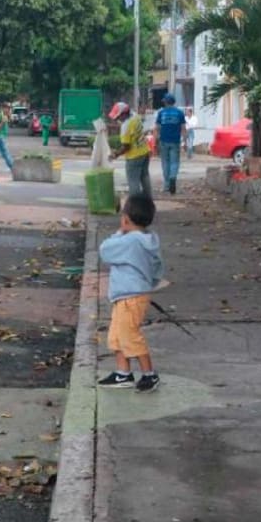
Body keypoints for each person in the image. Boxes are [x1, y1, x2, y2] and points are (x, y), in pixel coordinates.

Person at [97, 195, 164, 393]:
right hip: (134, 294)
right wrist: (148, 283)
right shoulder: (149, 239)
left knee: (130, 336)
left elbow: (105, 250)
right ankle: (122, 373)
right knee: (118, 334)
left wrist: (120, 232)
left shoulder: (129, 241)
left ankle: (149, 374)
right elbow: (158, 268)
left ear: (126, 218)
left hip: (129, 297)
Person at [109, 101, 151, 198]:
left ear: (124, 114)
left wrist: (115, 154)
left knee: (133, 182)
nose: (117, 119)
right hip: (144, 152)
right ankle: (148, 202)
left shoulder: (126, 126)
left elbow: (126, 147)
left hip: (134, 157)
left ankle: (135, 206)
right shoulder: (135, 117)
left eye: (118, 117)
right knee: (145, 178)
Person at [155, 94, 187, 194]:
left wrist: (156, 141)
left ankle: (166, 186)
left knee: (165, 163)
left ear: (165, 102)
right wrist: (184, 141)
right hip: (175, 141)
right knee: (174, 162)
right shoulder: (180, 113)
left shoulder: (161, 113)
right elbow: (183, 128)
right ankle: (173, 177)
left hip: (163, 140)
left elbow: (157, 128)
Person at [0, 106, 15, 173]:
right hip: (0, 136)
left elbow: (12, 122)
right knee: (5, 152)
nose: (9, 110)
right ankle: (12, 166)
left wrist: (9, 116)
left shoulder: (6, 115)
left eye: (10, 109)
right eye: (8, 108)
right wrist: (2, 122)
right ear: (4, 108)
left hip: (2, 136)